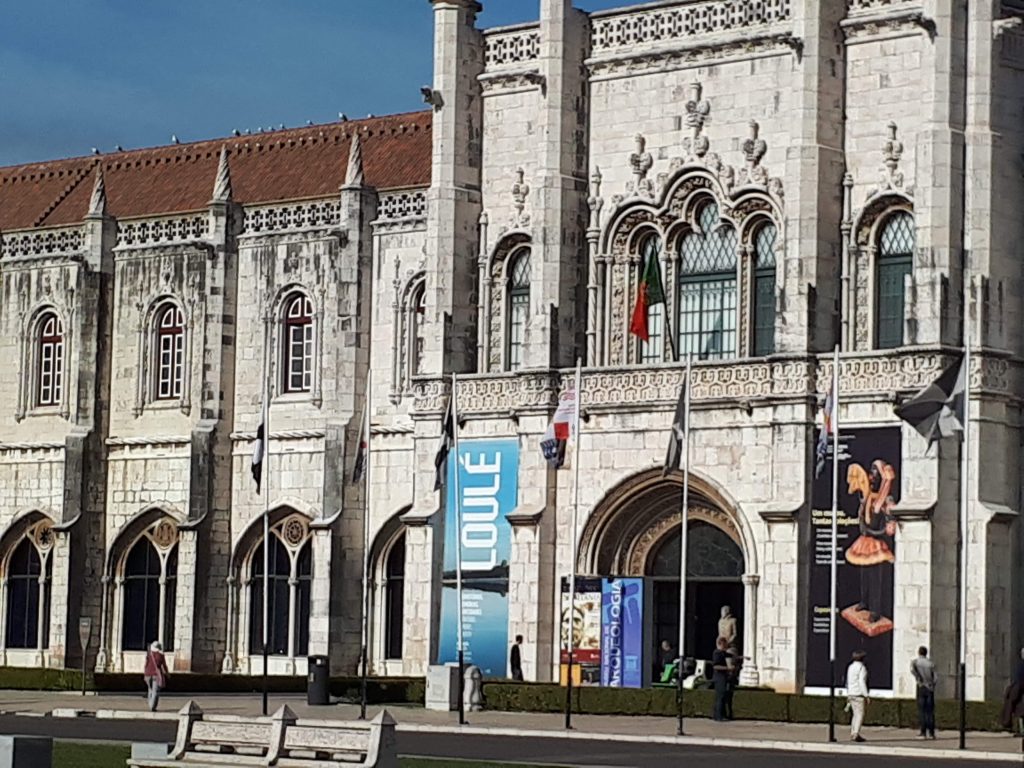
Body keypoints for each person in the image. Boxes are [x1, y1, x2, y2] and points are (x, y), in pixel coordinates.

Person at [910, 646, 936, 739]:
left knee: (922, 711)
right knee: (930, 711)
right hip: (930, 688)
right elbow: (935, 677)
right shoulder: (931, 663)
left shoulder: (915, 662)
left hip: (921, 687)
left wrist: (918, 679)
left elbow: (912, 670)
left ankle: (923, 732)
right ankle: (932, 733)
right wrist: (932, 685)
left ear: (919, 652)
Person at [845, 650, 869, 742]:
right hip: (858, 693)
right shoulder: (861, 668)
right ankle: (856, 734)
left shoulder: (850, 667)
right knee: (859, 715)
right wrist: (866, 695)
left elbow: (848, 681)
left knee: (855, 715)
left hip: (851, 693)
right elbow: (862, 682)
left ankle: (853, 732)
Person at [143, 641, 170, 712]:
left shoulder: (149, 654)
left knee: (150, 690)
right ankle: (152, 706)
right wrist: (167, 674)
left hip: (148, 674)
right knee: (155, 691)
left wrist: (145, 673)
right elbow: (164, 666)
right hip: (156, 675)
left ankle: (150, 704)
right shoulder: (161, 655)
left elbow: (146, 664)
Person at [711, 637, 730, 722]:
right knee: (720, 696)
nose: (726, 646)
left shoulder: (722, 653)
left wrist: (743, 657)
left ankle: (720, 715)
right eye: (725, 644)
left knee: (722, 696)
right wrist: (728, 668)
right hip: (719, 678)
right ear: (721, 644)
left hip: (722, 677)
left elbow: (730, 655)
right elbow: (716, 666)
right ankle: (718, 716)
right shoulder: (717, 653)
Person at [724, 644, 742, 720]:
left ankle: (729, 713)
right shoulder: (727, 656)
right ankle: (726, 713)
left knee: (729, 697)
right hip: (727, 678)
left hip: (731, 678)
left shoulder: (731, 657)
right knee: (726, 696)